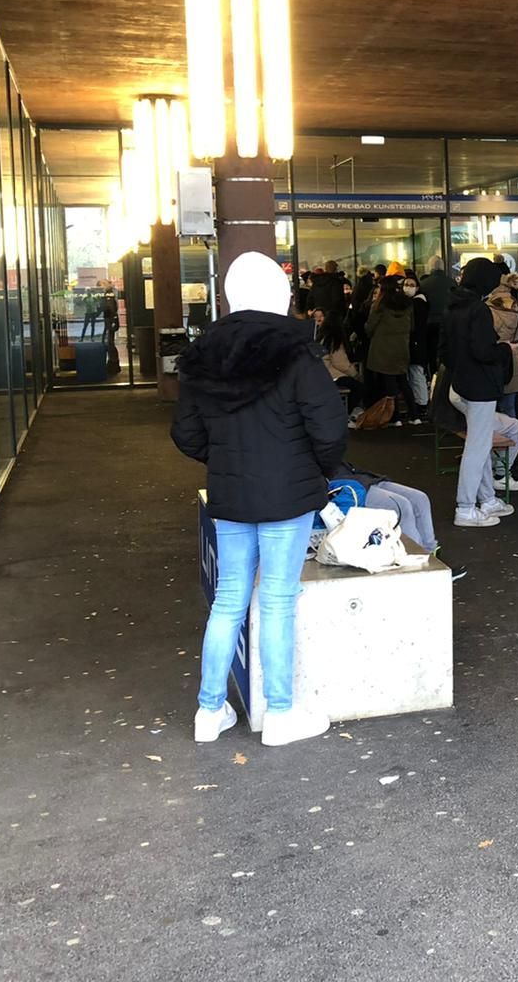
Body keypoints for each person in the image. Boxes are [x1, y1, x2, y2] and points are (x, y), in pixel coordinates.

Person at [171, 252, 346, 748]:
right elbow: (329, 428)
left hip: (230, 493)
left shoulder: (203, 356)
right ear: (281, 296)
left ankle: (209, 711)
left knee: (228, 600)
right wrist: (315, 469)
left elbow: (185, 434)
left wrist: (224, 456)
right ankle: (281, 714)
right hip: (287, 496)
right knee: (275, 601)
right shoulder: (296, 353)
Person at [444, 257, 518, 528]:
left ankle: (487, 498)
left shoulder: (453, 306)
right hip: (480, 387)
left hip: (459, 384)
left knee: (481, 441)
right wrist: (505, 349)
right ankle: (465, 508)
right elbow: (483, 351)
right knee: (477, 448)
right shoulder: (477, 309)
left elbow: (446, 351)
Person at [365, 274, 414, 424]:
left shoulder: (379, 305)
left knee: (389, 383)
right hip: (402, 347)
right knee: (403, 381)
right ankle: (414, 415)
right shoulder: (407, 304)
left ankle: (395, 417)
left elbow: (370, 326)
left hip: (383, 348)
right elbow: (412, 326)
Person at [487, 271, 518, 421]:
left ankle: (493, 439)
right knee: (509, 406)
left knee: (488, 407)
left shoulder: (487, 308)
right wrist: (515, 346)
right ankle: (512, 438)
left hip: (492, 359)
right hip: (513, 360)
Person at [403, 274, 433, 424]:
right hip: (417, 344)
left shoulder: (418, 304)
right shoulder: (419, 302)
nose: (407, 287)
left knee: (416, 374)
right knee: (415, 374)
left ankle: (421, 405)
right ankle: (420, 404)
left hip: (416, 344)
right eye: (406, 284)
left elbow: (417, 327)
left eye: (411, 284)